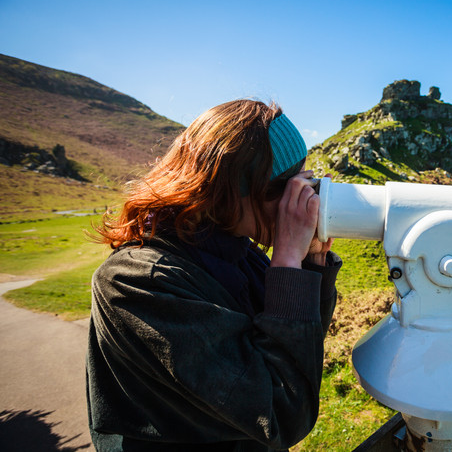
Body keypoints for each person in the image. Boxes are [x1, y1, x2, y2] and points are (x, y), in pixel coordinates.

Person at [86, 99, 341, 451]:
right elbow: (280, 410)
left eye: (304, 176)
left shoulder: (235, 248)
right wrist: (285, 260)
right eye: (283, 186)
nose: (296, 199)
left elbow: (295, 350)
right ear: (221, 193)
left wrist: (311, 262)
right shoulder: (135, 281)